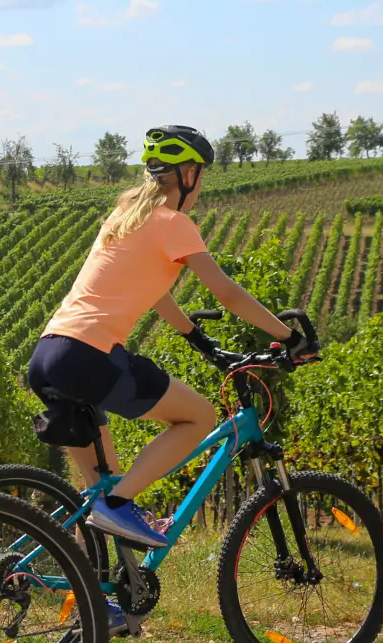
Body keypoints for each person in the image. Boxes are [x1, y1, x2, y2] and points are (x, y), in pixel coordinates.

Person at [29, 125, 309, 554]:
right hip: (89, 356)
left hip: (50, 353)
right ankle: (118, 505)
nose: (201, 184)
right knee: (198, 416)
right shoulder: (173, 223)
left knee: (101, 491)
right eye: (201, 174)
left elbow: (155, 292)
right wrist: (289, 337)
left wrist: (198, 338)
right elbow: (227, 292)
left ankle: (90, 586)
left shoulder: (126, 215)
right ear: (189, 174)